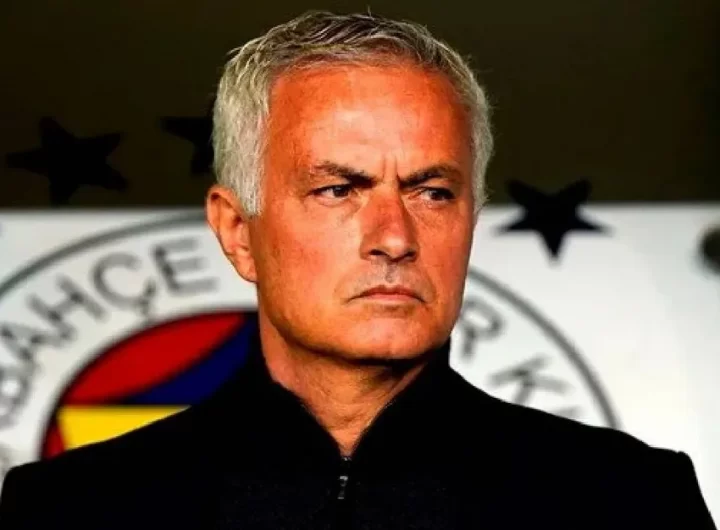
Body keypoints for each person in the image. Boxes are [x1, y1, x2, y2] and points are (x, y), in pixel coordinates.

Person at [0, 9, 715, 530]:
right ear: (237, 231)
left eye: (432, 192)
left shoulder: (629, 502)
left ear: (472, 218)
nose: (394, 238)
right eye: (339, 189)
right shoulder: (68, 514)